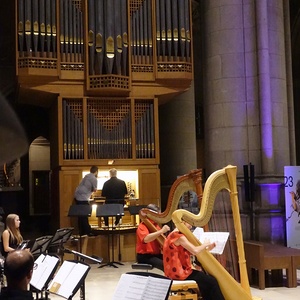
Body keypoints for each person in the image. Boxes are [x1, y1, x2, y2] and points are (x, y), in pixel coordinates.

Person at [163, 220, 225, 300]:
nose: (191, 226)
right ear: (183, 222)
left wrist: (207, 248)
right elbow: (194, 251)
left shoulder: (172, 234)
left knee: (205, 283)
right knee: (211, 282)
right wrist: (205, 244)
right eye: (190, 223)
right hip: (179, 273)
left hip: (172, 272)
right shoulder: (179, 237)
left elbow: (190, 252)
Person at [136, 204, 170, 271]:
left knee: (172, 262)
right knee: (165, 266)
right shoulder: (142, 226)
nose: (158, 217)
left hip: (156, 255)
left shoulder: (155, 225)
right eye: (157, 215)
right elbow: (146, 239)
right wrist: (161, 231)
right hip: (145, 256)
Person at [74, 166, 98, 235]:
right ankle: (88, 231)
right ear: (96, 171)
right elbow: (95, 189)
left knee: (81, 216)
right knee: (85, 215)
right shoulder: (94, 178)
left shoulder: (86, 176)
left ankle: (81, 231)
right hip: (83, 198)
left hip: (77, 196)